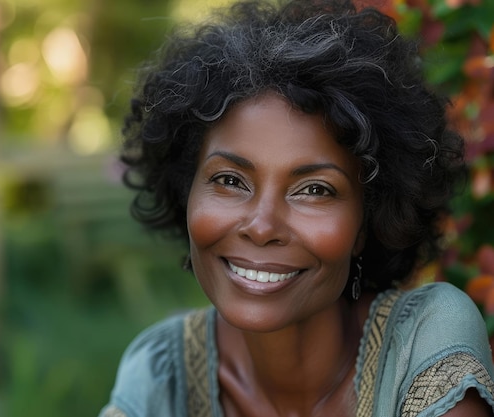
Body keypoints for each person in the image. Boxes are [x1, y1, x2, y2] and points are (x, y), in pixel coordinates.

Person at [99, 0, 494, 415]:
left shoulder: (424, 342)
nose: (262, 225)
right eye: (230, 180)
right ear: (187, 192)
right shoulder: (162, 372)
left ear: (366, 222)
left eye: (315, 190)